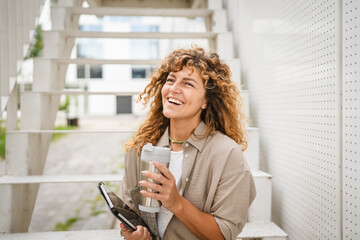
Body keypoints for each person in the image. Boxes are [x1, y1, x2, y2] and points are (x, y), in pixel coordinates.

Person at [119, 47, 256, 240]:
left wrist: (176, 203)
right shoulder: (140, 148)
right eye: (171, 80)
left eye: (188, 84)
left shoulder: (227, 154)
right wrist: (133, 233)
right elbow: (130, 212)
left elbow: (225, 234)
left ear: (206, 101)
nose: (174, 89)